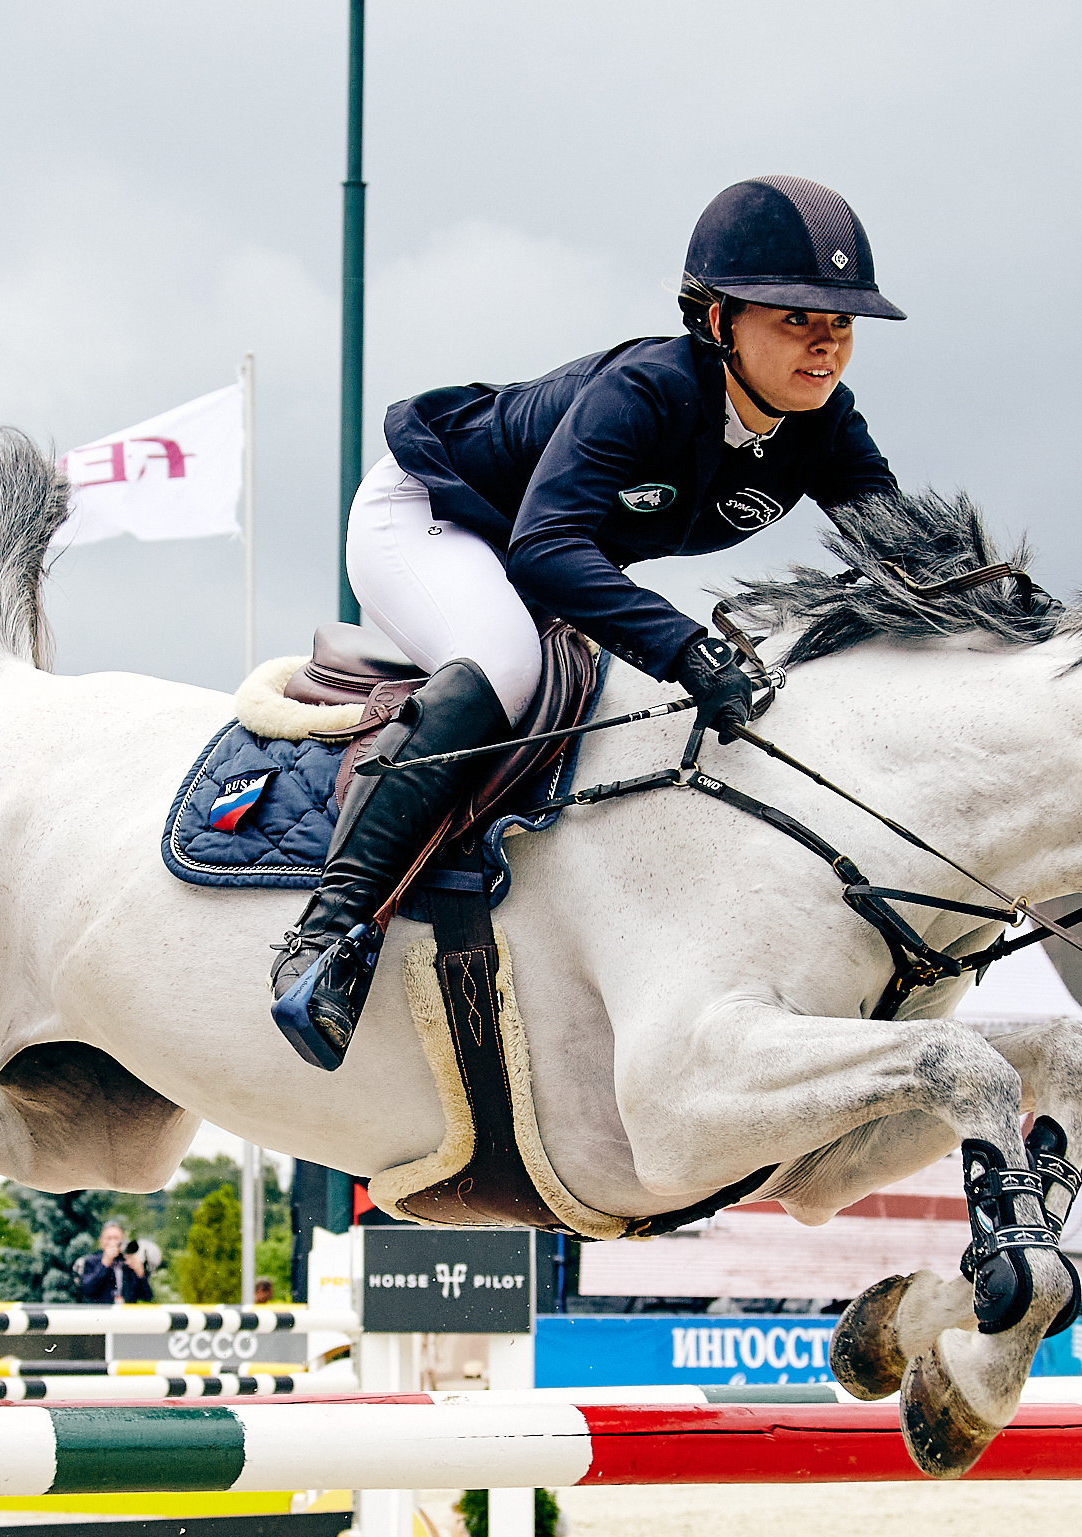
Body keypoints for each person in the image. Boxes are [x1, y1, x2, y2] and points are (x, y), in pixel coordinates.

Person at [272, 174, 908, 1069]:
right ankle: (328, 937)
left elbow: (902, 553)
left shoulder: (826, 424)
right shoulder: (647, 389)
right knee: (505, 663)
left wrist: (992, 603)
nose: (826, 346)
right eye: (796, 319)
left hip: (538, 547)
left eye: (840, 324)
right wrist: (686, 647)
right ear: (718, 321)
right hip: (434, 515)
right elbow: (545, 548)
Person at [76, 1220, 154, 1304]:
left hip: (125, 1313)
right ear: (101, 1241)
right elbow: (87, 1290)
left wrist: (141, 1274)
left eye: (116, 1238)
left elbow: (147, 1296)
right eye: (109, 1238)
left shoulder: (128, 1262)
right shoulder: (91, 1261)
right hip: (101, 1312)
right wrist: (104, 1264)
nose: (113, 1242)